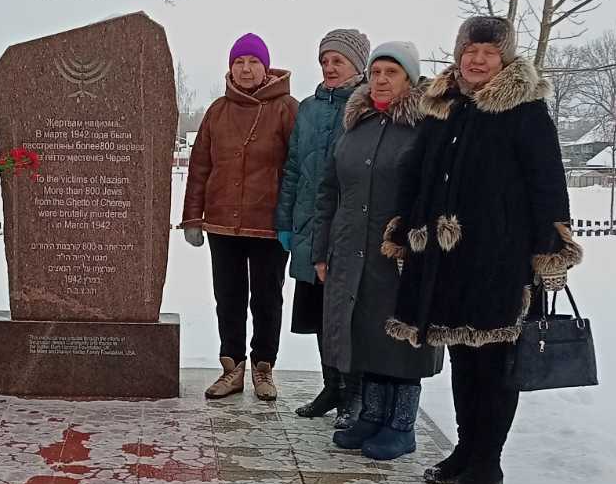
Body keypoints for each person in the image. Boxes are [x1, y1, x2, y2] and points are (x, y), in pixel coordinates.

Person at [386, 15, 582, 484]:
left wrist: (550, 251)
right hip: (443, 259)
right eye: (470, 51)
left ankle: (487, 462)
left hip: (500, 259)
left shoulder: (525, 111)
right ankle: (465, 449)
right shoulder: (442, 106)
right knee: (461, 355)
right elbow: (417, 174)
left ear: (506, 58)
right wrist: (404, 229)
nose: (476, 60)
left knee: (493, 362)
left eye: (488, 53)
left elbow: (547, 185)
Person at [312, 42, 443, 460]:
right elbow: (329, 190)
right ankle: (370, 415)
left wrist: (419, 245)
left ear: (410, 79)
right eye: (376, 72)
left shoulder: (426, 126)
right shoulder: (357, 125)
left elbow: (436, 191)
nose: (382, 79)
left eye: (392, 72)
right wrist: (321, 249)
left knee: (400, 337)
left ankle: (401, 425)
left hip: (401, 253)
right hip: (351, 248)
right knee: (364, 331)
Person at [180, 32, 298, 402]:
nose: (245, 69)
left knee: (267, 298)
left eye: (253, 62)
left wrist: (294, 219)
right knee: (228, 296)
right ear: (230, 67)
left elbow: (298, 168)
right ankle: (232, 370)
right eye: (238, 62)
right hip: (222, 223)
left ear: (266, 67)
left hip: (269, 224)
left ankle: (264, 368)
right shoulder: (218, 110)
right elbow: (200, 166)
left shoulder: (286, 109)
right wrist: (193, 217)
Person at [275, 27, 370, 420]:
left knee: (348, 315)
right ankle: (331, 386)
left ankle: (354, 394)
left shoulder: (367, 107)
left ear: (358, 65)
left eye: (338, 61)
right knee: (319, 314)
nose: (330, 68)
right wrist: (285, 220)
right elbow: (294, 167)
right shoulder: (310, 109)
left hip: (348, 228)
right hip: (309, 225)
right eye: (325, 61)